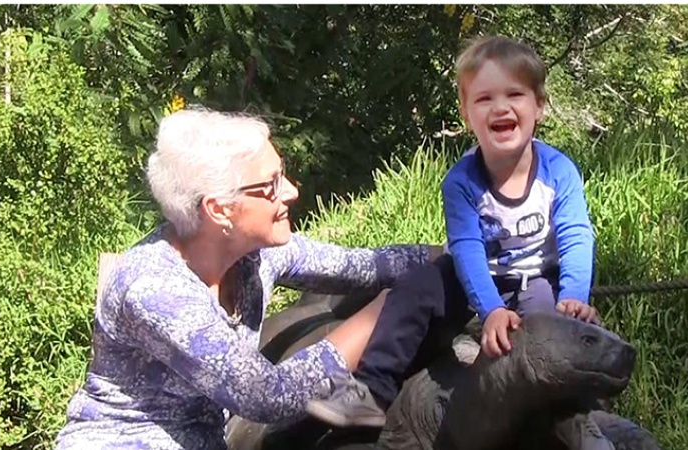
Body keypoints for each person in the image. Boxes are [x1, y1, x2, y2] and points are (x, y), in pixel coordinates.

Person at [54, 106, 438, 450]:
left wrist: (461, 254)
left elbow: (361, 266)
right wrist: (388, 310)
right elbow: (266, 395)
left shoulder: (256, 255)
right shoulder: (154, 289)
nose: (290, 191)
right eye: (271, 184)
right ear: (220, 209)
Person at [306, 35, 613, 449]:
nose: (500, 107)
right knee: (415, 288)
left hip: (539, 275)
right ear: (467, 114)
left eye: (515, 94)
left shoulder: (559, 171)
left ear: (539, 106)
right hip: (476, 277)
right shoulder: (462, 182)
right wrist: (491, 311)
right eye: (484, 98)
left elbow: (577, 234)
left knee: (549, 332)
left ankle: (575, 419)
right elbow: (467, 250)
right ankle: (372, 388)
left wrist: (574, 293)